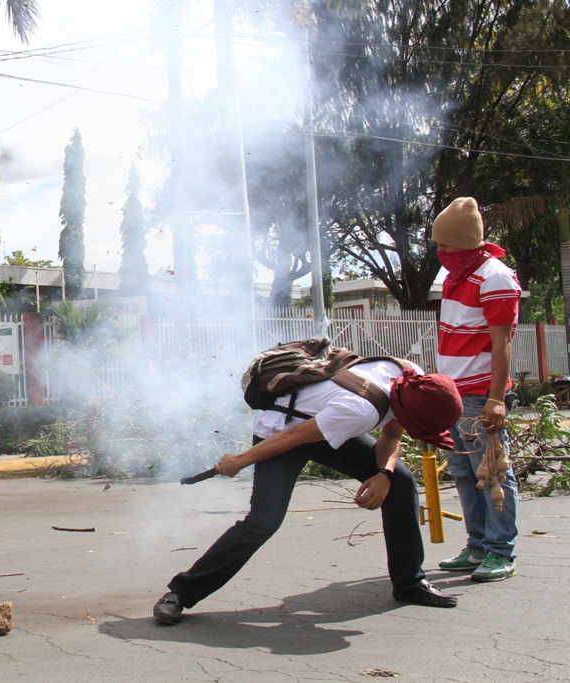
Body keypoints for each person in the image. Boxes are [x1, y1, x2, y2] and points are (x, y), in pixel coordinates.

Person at [153, 360, 464, 625]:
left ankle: (410, 583)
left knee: (400, 482)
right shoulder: (362, 409)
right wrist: (240, 461)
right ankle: (182, 591)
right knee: (264, 520)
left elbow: (392, 433)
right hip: (284, 432)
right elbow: (298, 436)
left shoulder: (412, 379)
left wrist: (384, 474)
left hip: (327, 425)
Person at [432, 197, 520, 582]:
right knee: (465, 472)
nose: (441, 252)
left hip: (480, 394)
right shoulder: (456, 277)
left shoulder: (494, 277)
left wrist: (497, 399)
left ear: (467, 243)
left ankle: (501, 552)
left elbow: (502, 344)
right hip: (454, 393)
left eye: (447, 245)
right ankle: (478, 544)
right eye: (438, 244)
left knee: (494, 473)